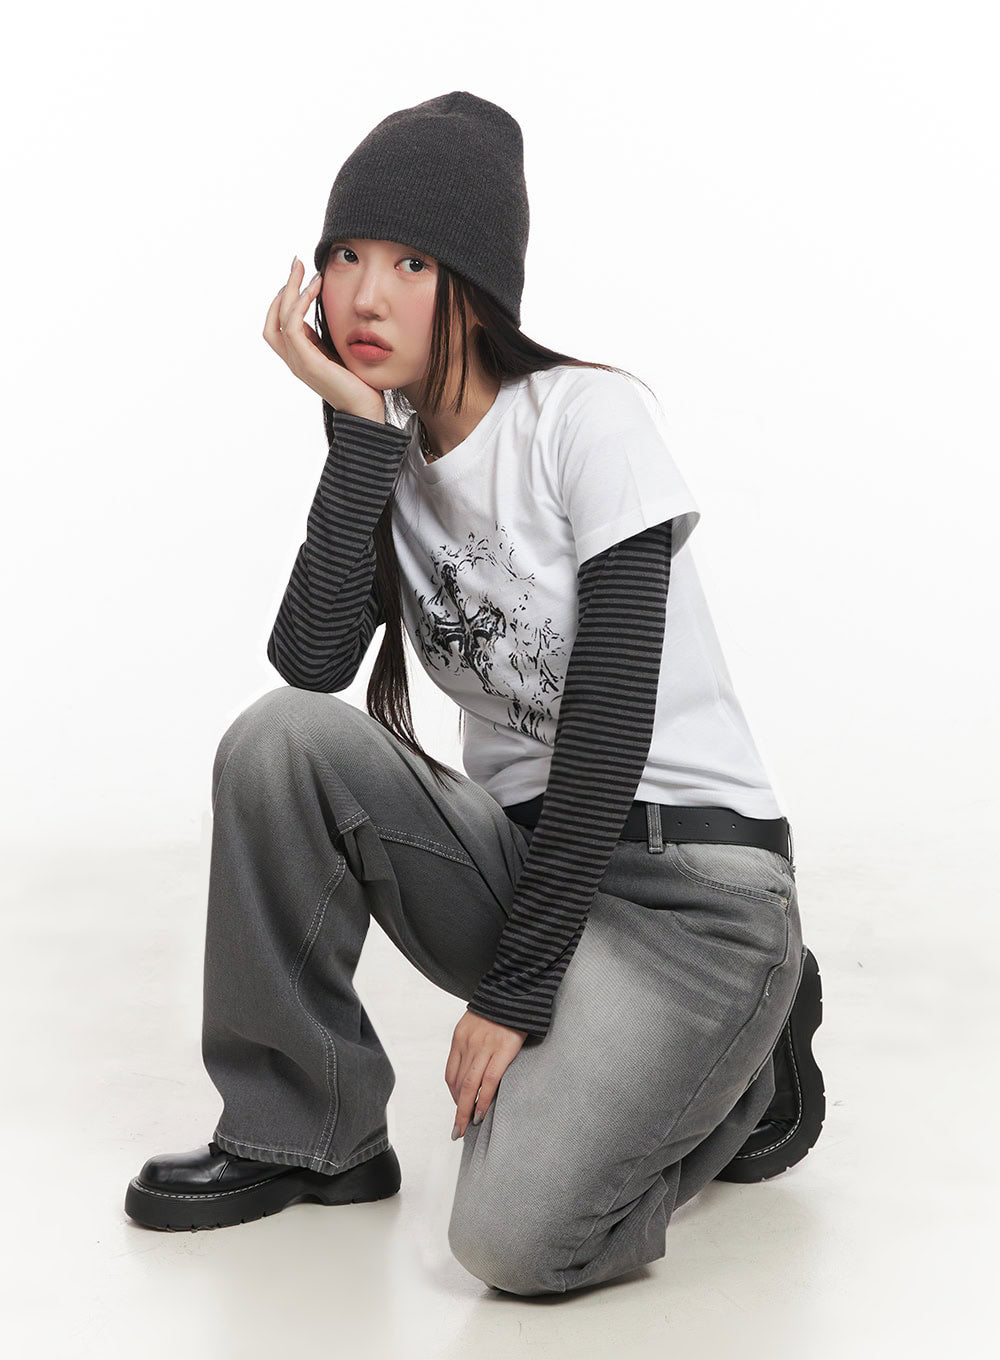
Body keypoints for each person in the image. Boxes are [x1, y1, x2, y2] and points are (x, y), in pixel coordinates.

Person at [123, 91, 825, 1296]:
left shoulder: (588, 420)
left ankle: (746, 1066)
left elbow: (606, 729)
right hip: (528, 869)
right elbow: (310, 667)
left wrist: (512, 995)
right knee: (278, 740)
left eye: (410, 263)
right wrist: (357, 437)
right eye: (344, 256)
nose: (364, 296)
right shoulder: (388, 453)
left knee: (510, 1242)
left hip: (688, 897)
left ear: (476, 284)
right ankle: (308, 1133)